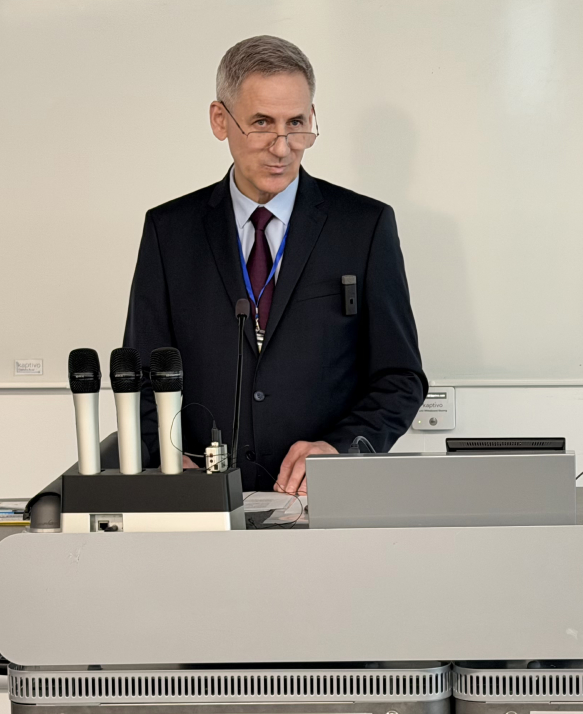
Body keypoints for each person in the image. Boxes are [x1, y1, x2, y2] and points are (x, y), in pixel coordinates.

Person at [123, 35, 427, 494]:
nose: (282, 148)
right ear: (220, 120)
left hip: (322, 501)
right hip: (203, 503)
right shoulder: (169, 232)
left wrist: (340, 450)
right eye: (262, 123)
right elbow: (143, 376)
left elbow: (400, 378)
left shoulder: (364, 227)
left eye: (297, 123)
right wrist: (166, 457)